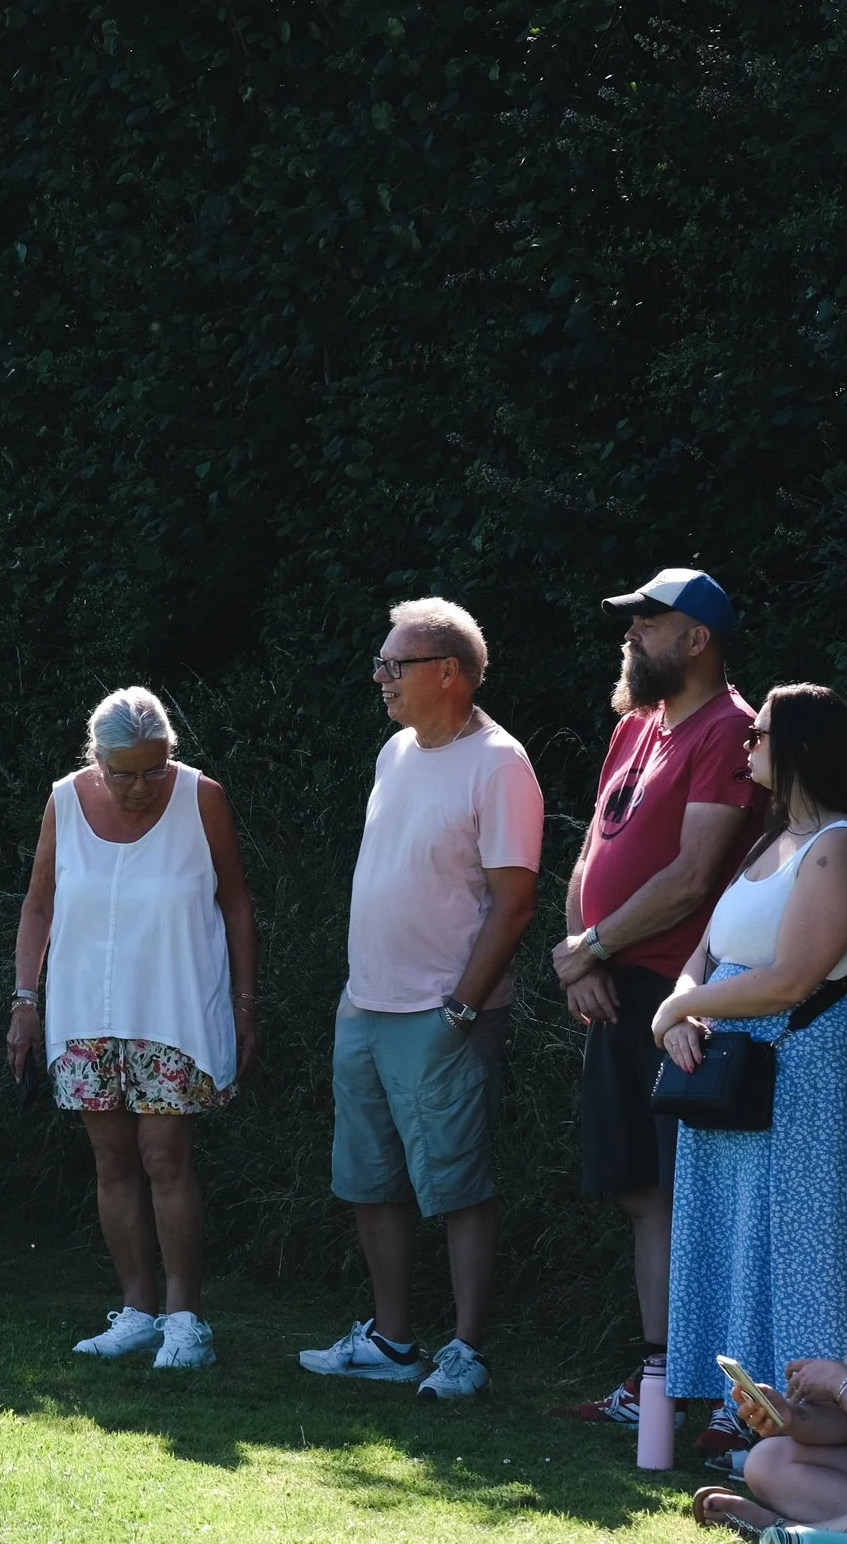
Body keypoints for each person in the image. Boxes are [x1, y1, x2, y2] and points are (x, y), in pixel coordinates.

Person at [299, 597, 542, 1400]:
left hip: (445, 1014)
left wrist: (462, 1008)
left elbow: (514, 902)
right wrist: (354, 997)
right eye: (381, 663)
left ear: (448, 673)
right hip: (367, 1006)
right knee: (370, 1177)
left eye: (394, 665)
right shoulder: (395, 751)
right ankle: (393, 1340)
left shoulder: (499, 763)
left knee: (458, 1183)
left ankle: (466, 1350)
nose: (381, 677)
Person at [548, 569, 764, 1430]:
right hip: (613, 990)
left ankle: (726, 1395)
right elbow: (590, 851)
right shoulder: (636, 724)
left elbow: (692, 876)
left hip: (688, 1001)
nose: (631, 634)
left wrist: (596, 945)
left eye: (650, 621)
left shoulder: (731, 728)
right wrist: (581, 955)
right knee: (640, 1189)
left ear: (697, 638)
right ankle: (658, 1381)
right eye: (631, 621)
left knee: (697, 1196)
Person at [657, 683, 847, 1461]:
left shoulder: (844, 845)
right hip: (727, 1066)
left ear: (800, 745)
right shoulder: (770, 841)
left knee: (803, 1237)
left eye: (758, 734)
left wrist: (679, 1011)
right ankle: (737, 1403)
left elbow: (793, 976)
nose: (746, 744)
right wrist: (680, 1011)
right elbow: (705, 952)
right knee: (731, 1229)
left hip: (803, 1060)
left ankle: (811, 1415)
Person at [10, 686, 259, 1368]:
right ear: (96, 759)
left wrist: (244, 1004)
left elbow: (237, 904)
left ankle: (186, 1319)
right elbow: (38, 906)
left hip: (174, 1009)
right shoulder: (64, 801)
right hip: (84, 1012)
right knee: (112, 1161)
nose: (142, 786)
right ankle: (138, 1312)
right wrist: (24, 1000)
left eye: (155, 769)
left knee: (165, 1157)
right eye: (124, 773)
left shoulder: (202, 798)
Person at [697, 1144, 847, 1536]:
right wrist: (792, 1418)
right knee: (767, 1460)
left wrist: (840, 1382)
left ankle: (793, 1533)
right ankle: (821, 1533)